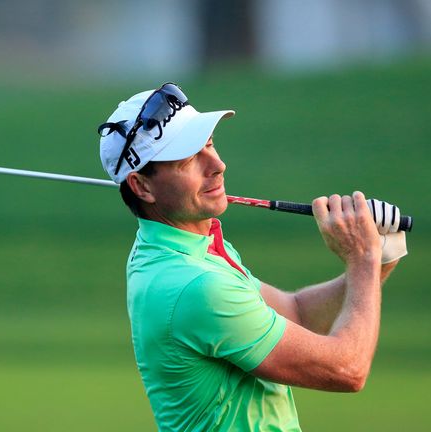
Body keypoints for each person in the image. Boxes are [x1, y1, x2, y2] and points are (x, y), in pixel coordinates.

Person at [97, 83, 408, 431]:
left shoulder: (186, 247)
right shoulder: (195, 287)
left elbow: (297, 313)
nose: (217, 165)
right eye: (188, 159)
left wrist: (379, 258)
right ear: (142, 187)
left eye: (209, 145)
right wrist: (361, 259)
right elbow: (347, 369)